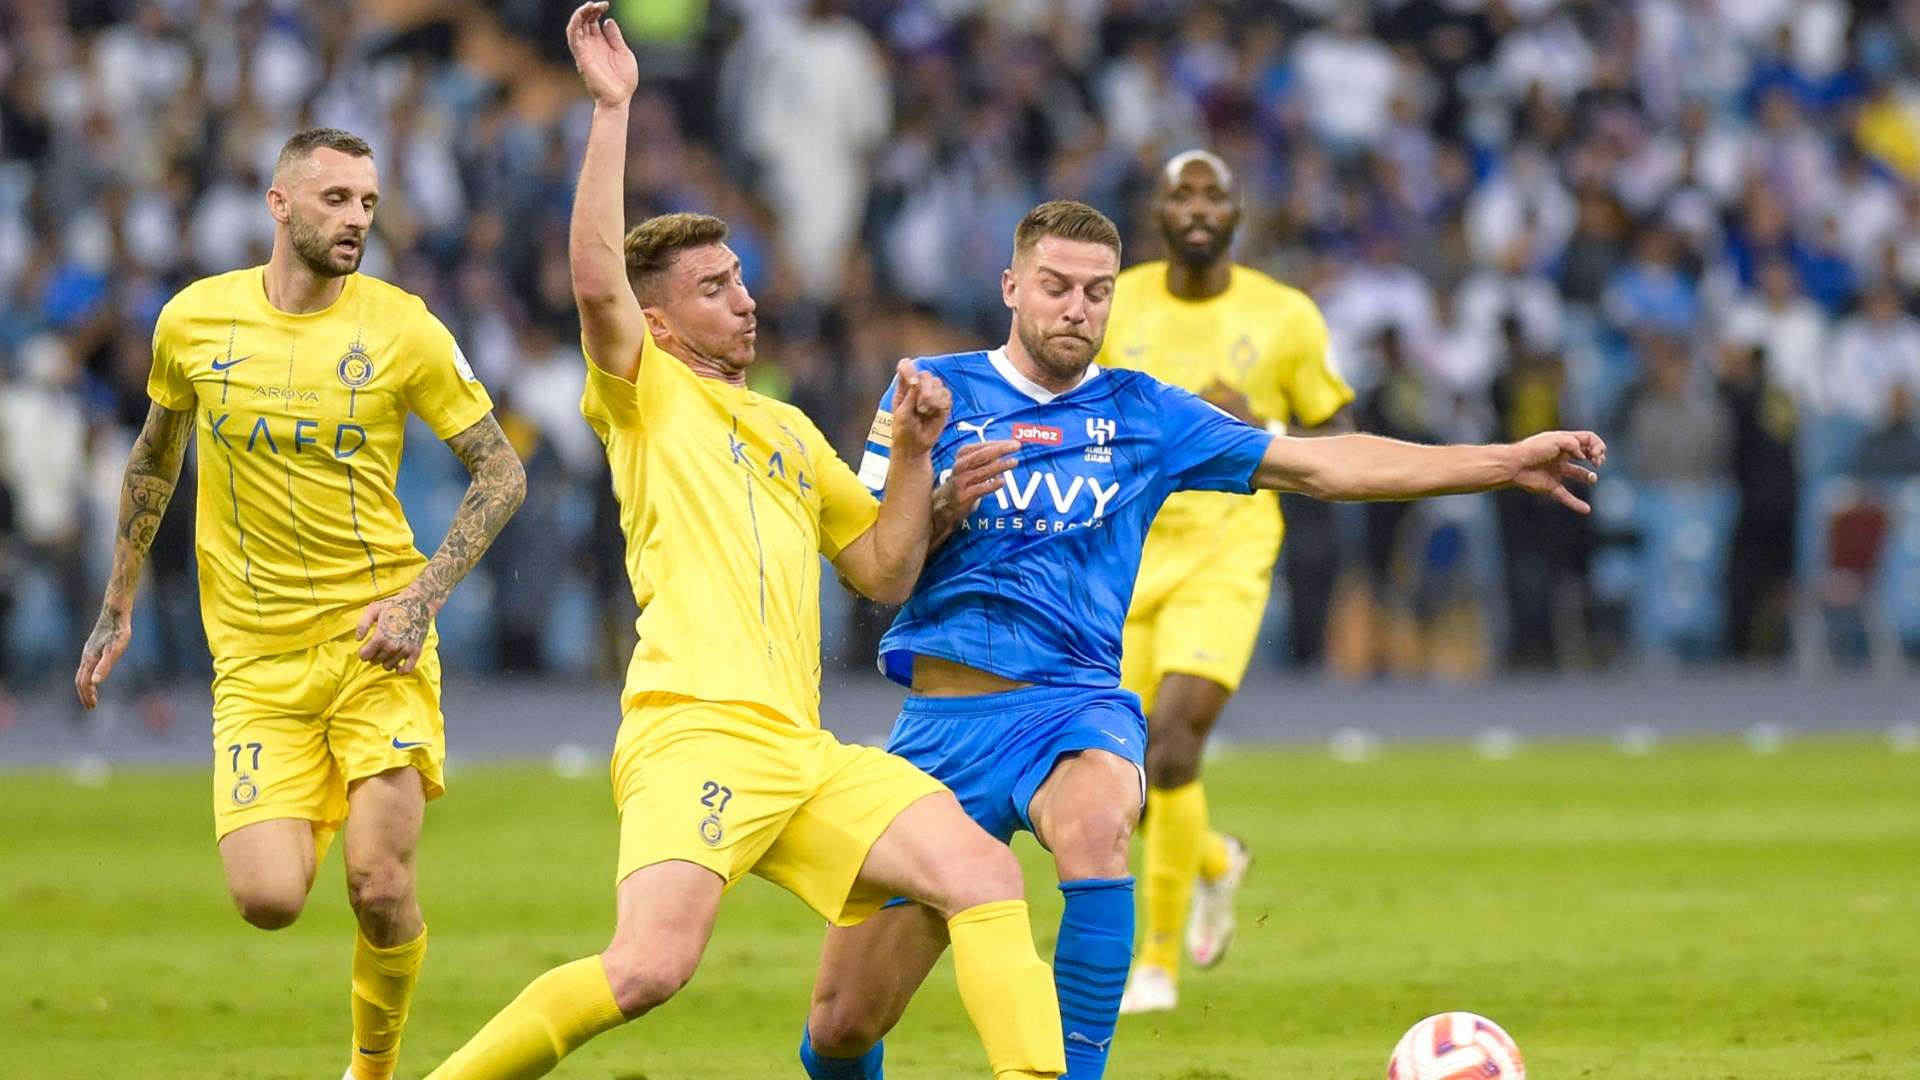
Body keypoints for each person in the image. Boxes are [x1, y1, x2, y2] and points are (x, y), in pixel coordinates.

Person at [800, 198, 1605, 1079]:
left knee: (1100, 818)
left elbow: (1324, 465)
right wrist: (939, 499)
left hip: (1072, 708)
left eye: (1098, 292)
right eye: (1057, 287)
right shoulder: (929, 394)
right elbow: (871, 569)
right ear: (1011, 287)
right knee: (843, 1028)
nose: (1078, 308)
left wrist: (1502, 462)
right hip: (940, 728)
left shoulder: (1146, 413)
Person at [423, 8, 1062, 1078]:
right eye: (716, 289)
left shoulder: (786, 427)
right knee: (646, 971)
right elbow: (592, 281)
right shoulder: (647, 392)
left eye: (743, 277)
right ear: (661, 324)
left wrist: (916, 463)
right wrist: (614, 108)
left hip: (800, 750)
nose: (747, 299)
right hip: (696, 733)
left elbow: (881, 572)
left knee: (983, 875)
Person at [72, 126, 527, 1080]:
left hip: (377, 643)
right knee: (269, 898)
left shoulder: (402, 327)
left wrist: (422, 600)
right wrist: (118, 601)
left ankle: (372, 1068)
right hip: (257, 663)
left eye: (368, 201)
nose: (357, 217)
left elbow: (500, 471)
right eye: (335, 200)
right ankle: (324, 791)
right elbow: (156, 457)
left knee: (378, 883)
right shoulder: (193, 321)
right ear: (279, 205)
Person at [1099, 149, 1356, 1013]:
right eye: (1184, 194)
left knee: (1174, 742)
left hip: (1229, 549)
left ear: (1239, 211)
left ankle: (1157, 965)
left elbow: (1340, 431)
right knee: (1116, 777)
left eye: (1215, 192)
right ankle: (1213, 860)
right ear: (1159, 212)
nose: (1200, 207)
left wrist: (1264, 424)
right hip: (1125, 553)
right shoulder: (1113, 302)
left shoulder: (1284, 317)